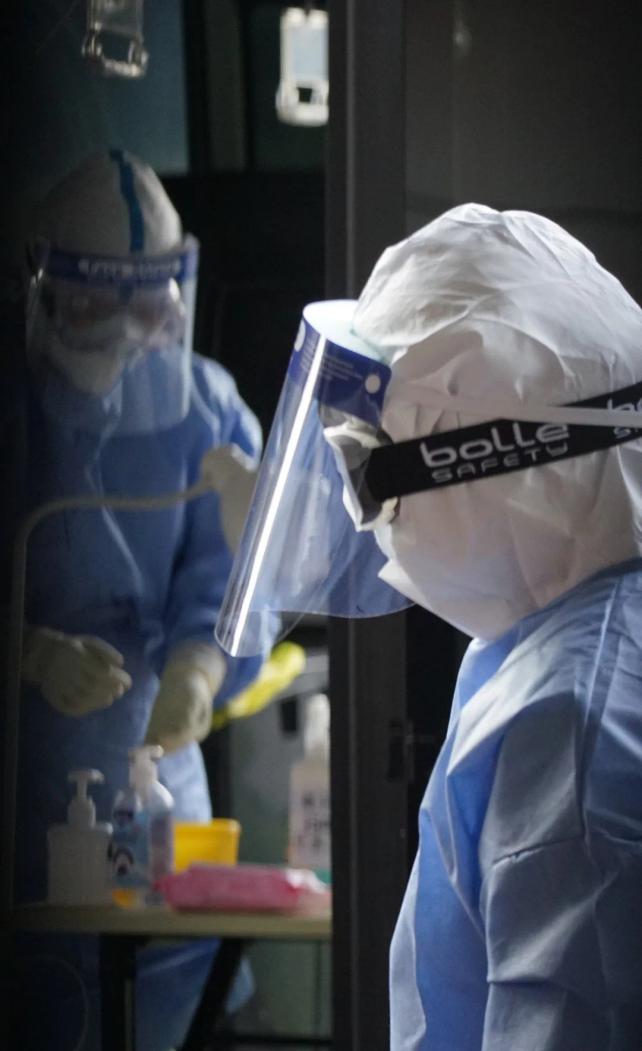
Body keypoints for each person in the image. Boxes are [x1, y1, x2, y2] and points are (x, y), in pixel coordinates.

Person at [215, 203, 642, 1050]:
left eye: (364, 467)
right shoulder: (554, 644)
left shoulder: (573, 728)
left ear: (489, 468)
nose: (357, 515)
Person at [8, 149, 268, 1050]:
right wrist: (30, 651)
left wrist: (199, 669)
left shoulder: (205, 411)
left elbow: (230, 576)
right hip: (26, 808)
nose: (122, 337)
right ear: (42, 288)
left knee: (165, 993)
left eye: (145, 310)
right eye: (92, 308)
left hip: (156, 804)